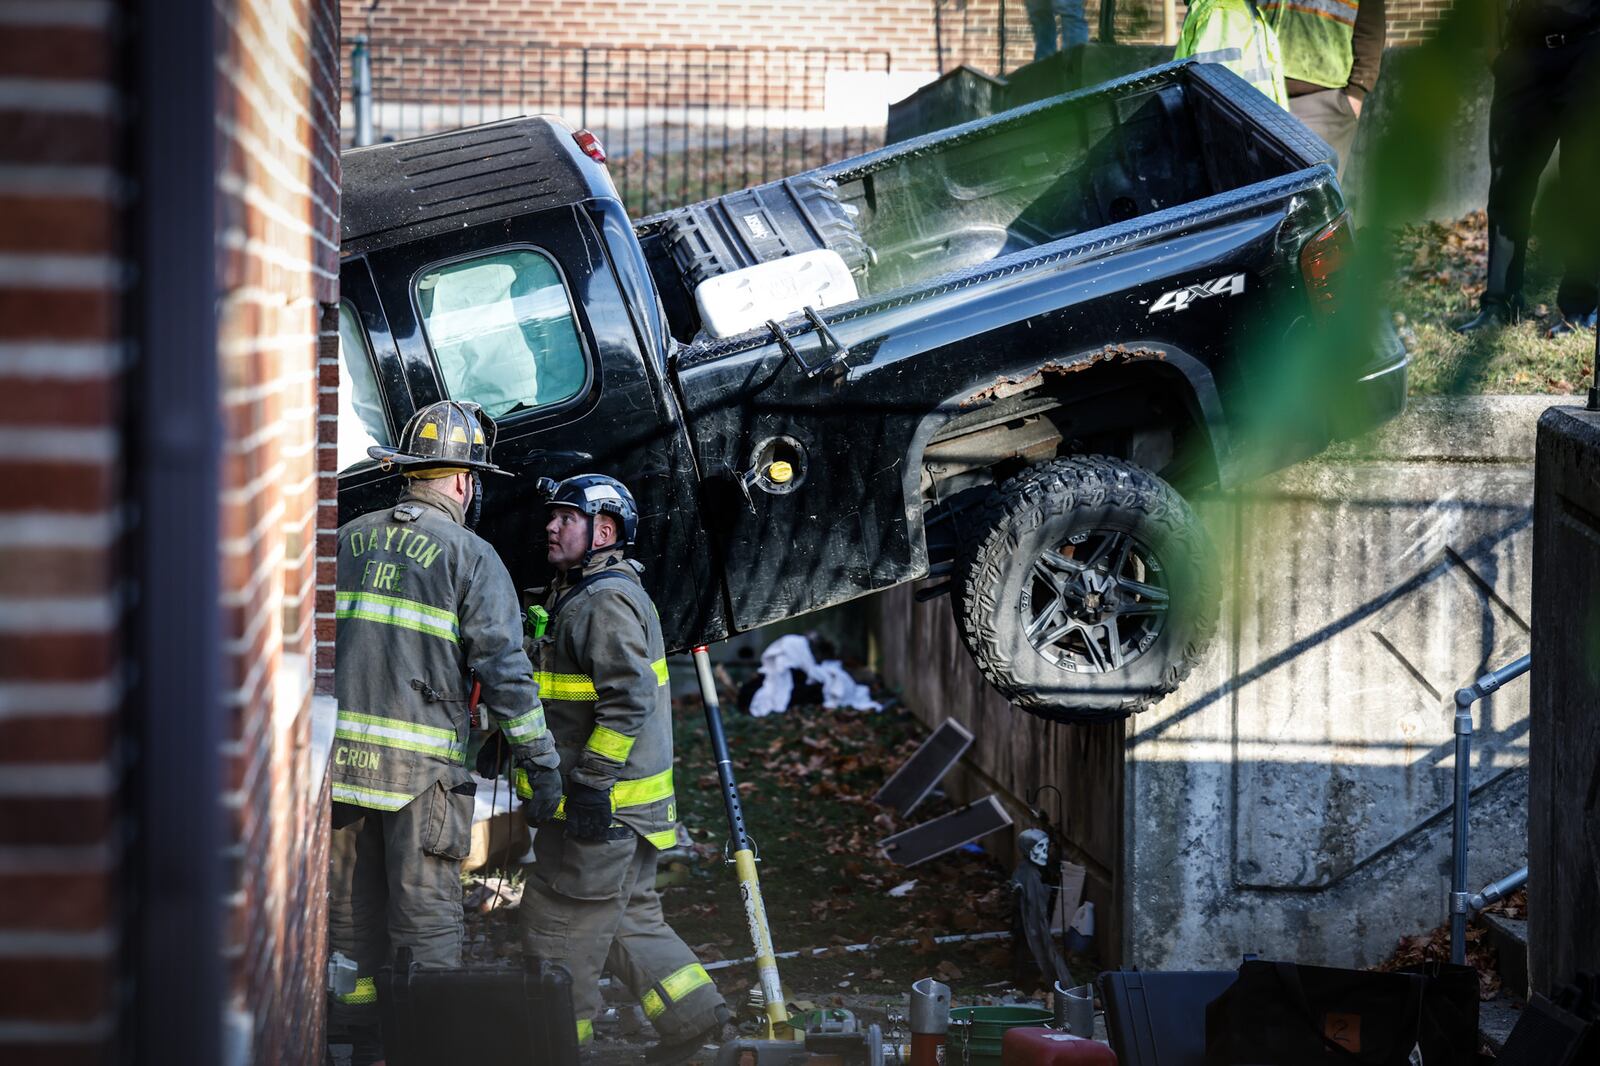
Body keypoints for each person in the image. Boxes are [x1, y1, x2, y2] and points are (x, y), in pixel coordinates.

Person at [327, 400, 562, 1066]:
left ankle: (353, 1040)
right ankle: (426, 1048)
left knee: (349, 916)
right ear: (462, 481)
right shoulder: (471, 556)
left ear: (409, 473)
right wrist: (539, 762)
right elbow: (506, 672)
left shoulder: (347, 538)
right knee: (424, 916)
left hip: (339, 766)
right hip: (421, 777)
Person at [517, 474, 732, 1063]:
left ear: (604, 530)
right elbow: (569, 696)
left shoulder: (601, 601)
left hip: (604, 808)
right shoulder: (579, 594)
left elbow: (629, 699)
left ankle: (557, 1049)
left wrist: (589, 784)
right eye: (552, 516)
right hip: (630, 811)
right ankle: (695, 1020)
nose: (551, 527)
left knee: (557, 926)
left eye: (567, 518)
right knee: (631, 917)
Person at [1456, 0, 1600, 337]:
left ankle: (1581, 307)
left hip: (1587, 49)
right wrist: (1495, 50)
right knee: (1508, 185)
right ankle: (1499, 305)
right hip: (1523, 54)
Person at [1260, 0, 1385, 172]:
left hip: (1324, 102)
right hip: (1260, 90)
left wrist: (1357, 91)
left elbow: (1370, 26)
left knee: (1314, 193)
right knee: (1258, 189)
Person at [1175, 0, 1290, 109]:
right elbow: (1218, 93)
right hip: (1246, 123)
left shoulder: (1238, 9)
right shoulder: (1222, 11)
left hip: (1261, 122)